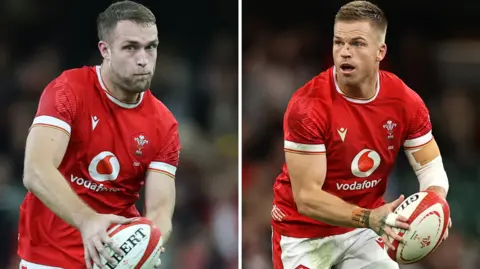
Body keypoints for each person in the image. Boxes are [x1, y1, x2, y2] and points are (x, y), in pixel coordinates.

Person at [270, 1, 452, 268]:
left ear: (380, 51)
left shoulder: (404, 101)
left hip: (364, 232)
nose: (344, 52)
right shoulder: (308, 106)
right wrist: (369, 218)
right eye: (338, 42)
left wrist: (435, 207)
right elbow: (307, 198)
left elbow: (430, 167)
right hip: (304, 235)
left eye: (357, 43)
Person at [17, 1, 179, 268]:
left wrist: (150, 245)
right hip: (48, 259)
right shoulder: (68, 90)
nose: (143, 59)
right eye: (130, 47)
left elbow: (160, 211)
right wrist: (88, 220)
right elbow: (36, 170)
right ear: (105, 50)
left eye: (151, 46)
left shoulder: (165, 124)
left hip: (113, 260)